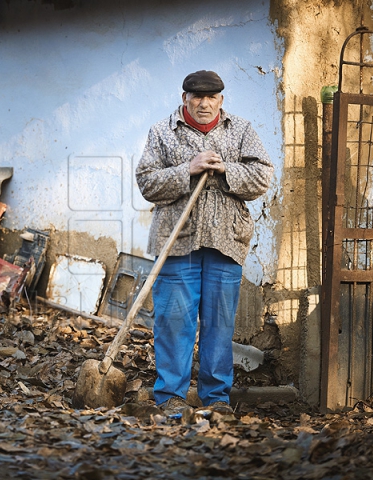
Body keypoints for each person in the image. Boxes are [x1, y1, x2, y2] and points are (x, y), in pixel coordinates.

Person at [135, 70, 274, 416]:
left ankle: (216, 399)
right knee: (174, 321)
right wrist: (189, 169)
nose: (204, 103)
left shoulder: (240, 130)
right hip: (176, 242)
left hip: (226, 242)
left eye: (212, 97)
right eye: (197, 97)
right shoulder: (162, 132)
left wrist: (226, 169)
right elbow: (147, 182)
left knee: (220, 323)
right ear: (185, 99)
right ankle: (171, 397)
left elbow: (262, 175)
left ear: (221, 100)